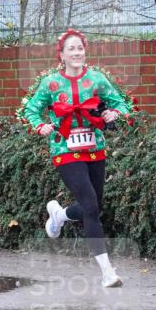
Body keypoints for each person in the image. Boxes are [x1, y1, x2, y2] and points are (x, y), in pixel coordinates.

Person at [21, 29, 133, 288]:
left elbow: (122, 103)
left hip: (95, 148)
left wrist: (113, 114)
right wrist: (40, 126)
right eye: (71, 49)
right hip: (65, 150)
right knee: (91, 206)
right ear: (61, 55)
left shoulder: (96, 79)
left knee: (93, 207)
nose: (77, 53)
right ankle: (108, 272)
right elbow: (30, 109)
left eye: (80, 48)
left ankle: (59, 216)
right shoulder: (50, 83)